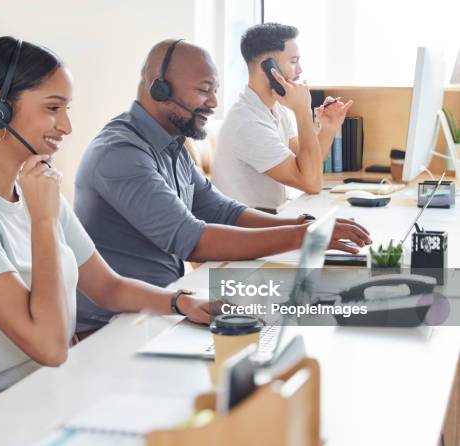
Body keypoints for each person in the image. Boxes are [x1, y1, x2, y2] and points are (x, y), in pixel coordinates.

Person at [0, 37, 210, 423]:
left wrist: (180, 303)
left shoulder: (33, 190)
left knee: (192, 401)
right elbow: (50, 346)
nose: (67, 126)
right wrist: (42, 221)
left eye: (67, 109)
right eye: (53, 108)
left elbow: (107, 287)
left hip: (57, 391)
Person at [74, 39, 370, 332]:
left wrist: (303, 224)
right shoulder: (121, 153)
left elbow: (221, 211)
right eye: (204, 91)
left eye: (215, 91)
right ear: (158, 87)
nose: (214, 103)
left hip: (168, 305)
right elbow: (193, 241)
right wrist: (303, 236)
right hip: (115, 325)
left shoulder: (170, 143)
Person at [211, 23, 353, 212]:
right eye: (293, 61)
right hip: (248, 230)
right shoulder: (247, 123)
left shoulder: (277, 108)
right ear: (268, 68)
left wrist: (328, 128)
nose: (300, 70)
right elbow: (311, 183)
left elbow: (304, 164)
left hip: (272, 218)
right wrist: (303, 112)